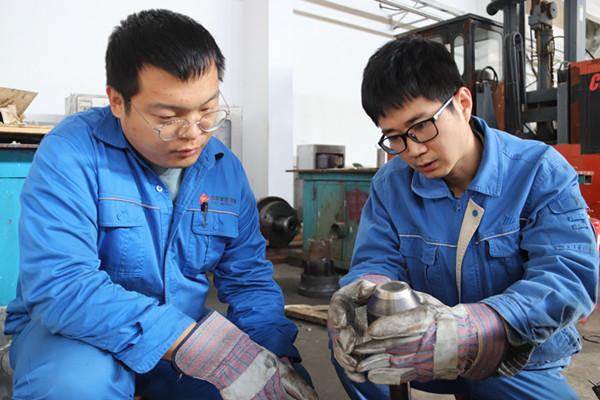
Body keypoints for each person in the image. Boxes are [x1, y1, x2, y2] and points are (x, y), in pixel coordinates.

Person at [4, 9, 317, 400]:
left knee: (270, 386)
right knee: (75, 386)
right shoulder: (71, 153)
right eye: (168, 117)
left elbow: (248, 278)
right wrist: (193, 344)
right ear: (117, 101)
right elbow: (62, 286)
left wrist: (274, 354)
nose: (193, 134)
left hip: (182, 334)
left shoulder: (223, 168)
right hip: (76, 336)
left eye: (208, 111)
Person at [328, 35, 599, 400]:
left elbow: (568, 276)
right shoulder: (391, 185)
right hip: (421, 351)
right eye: (395, 137)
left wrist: (479, 328)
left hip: (514, 356)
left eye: (422, 125)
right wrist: (366, 296)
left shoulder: (539, 171)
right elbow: (375, 260)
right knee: (353, 347)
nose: (413, 150)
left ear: (463, 103)